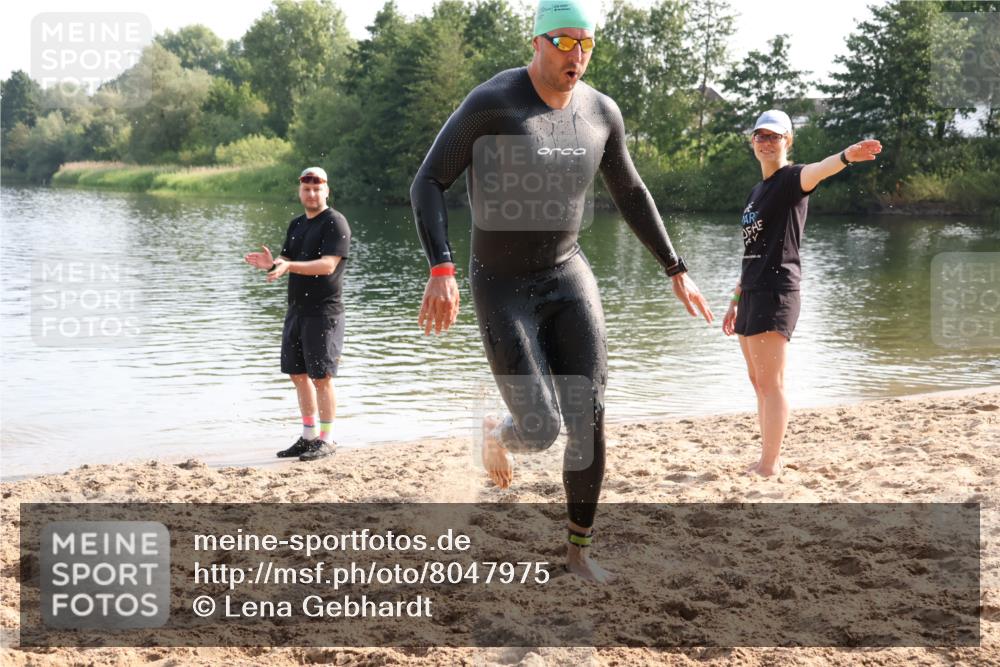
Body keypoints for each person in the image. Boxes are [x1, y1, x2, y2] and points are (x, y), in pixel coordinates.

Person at [410, 0, 713, 582]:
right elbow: (428, 180)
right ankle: (499, 431)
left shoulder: (601, 112)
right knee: (542, 428)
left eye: (587, 44)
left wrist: (676, 267)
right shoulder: (493, 103)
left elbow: (630, 190)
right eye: (566, 41)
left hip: (568, 274)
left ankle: (577, 552)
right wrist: (441, 268)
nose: (578, 55)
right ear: (538, 41)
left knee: (590, 416)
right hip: (502, 285)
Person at [721, 110, 882, 477]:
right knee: (756, 381)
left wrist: (844, 157)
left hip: (777, 292)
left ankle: (769, 463)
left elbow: (819, 170)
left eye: (774, 136)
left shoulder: (792, 179)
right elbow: (752, 250)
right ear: (752, 142)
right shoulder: (755, 191)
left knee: (771, 382)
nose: (765, 142)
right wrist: (734, 300)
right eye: (760, 136)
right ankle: (767, 455)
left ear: (787, 141)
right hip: (751, 293)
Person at [244, 167, 352, 462]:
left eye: (318, 188)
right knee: (298, 374)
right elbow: (286, 260)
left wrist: (288, 266)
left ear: (327, 191)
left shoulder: (335, 222)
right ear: (300, 191)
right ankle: (308, 437)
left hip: (324, 312)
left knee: (322, 377)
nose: (312, 193)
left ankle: (327, 439)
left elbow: (328, 265)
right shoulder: (297, 224)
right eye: (307, 189)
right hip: (297, 311)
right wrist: (272, 264)